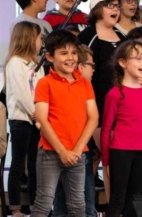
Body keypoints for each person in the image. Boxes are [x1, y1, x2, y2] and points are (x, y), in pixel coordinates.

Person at [30, 30, 99, 217]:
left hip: (77, 154)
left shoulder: (84, 84)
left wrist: (77, 149)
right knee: (44, 203)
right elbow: (42, 119)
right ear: (50, 56)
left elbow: (93, 117)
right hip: (50, 152)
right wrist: (62, 151)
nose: (70, 58)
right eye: (63, 53)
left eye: (74, 53)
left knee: (78, 205)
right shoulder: (45, 83)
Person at [101, 40, 142, 217]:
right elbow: (105, 131)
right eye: (139, 58)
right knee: (117, 199)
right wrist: (106, 163)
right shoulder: (115, 93)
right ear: (123, 62)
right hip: (121, 152)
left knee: (134, 201)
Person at [77, 0, 127, 201]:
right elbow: (82, 75)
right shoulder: (88, 36)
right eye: (110, 5)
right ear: (98, 9)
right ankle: (87, 207)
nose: (115, 9)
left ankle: (112, 207)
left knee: (116, 161)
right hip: (97, 107)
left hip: (123, 108)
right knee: (100, 157)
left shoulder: (124, 35)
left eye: (117, 5)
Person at [52, 44, 98, 217]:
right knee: (75, 201)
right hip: (67, 151)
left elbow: (93, 117)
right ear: (80, 66)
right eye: (91, 65)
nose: (94, 70)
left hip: (80, 149)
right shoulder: (69, 87)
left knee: (80, 200)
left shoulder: (85, 87)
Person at [4, 22, 44, 216]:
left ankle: (37, 206)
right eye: (39, 38)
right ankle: (16, 208)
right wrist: (35, 114)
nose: (41, 42)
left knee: (35, 166)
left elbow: (41, 91)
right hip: (21, 120)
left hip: (37, 120)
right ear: (29, 39)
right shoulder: (14, 63)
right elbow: (21, 94)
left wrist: (40, 115)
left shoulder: (36, 65)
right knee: (19, 164)